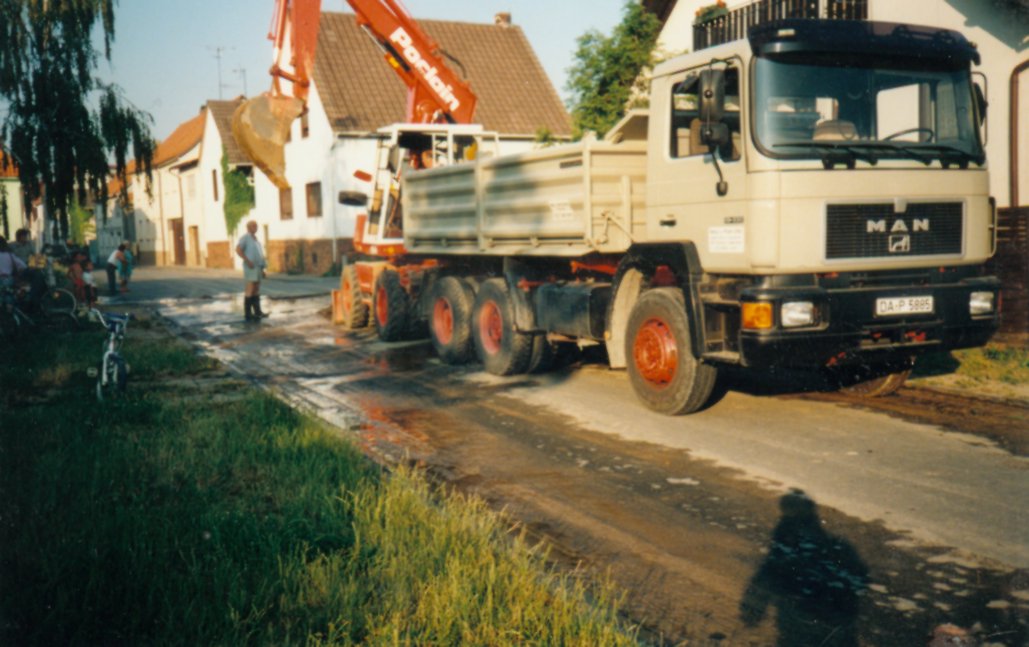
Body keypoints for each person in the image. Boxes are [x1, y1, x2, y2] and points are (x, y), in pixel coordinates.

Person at [235, 221, 268, 321]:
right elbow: (238, 249)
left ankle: (257, 312)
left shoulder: (256, 239)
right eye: (253, 226)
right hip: (250, 267)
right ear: (248, 227)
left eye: (256, 226)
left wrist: (263, 269)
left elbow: (259, 254)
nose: (255, 227)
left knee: (256, 289)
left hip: (258, 267)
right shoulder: (246, 238)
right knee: (250, 289)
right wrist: (247, 260)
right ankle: (248, 314)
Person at [0, 236, 28, 309]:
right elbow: (23, 266)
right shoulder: (10, 256)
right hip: (8, 279)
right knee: (8, 297)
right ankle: (10, 312)